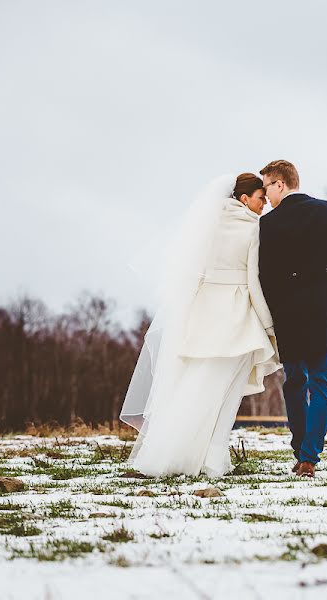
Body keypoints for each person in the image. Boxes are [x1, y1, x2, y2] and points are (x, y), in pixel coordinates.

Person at [119, 173, 281, 477]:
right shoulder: (254, 229)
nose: (264, 205)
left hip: (202, 319)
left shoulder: (205, 226)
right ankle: (212, 461)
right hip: (236, 320)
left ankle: (169, 454)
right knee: (227, 398)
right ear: (245, 199)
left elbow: (190, 278)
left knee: (196, 389)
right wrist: (270, 326)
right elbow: (253, 284)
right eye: (261, 198)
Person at [258, 160, 327, 478]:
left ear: (280, 184)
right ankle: (309, 457)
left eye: (266, 188)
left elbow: (265, 277)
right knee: (321, 382)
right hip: (325, 308)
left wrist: (270, 318)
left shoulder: (268, 224)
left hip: (288, 313)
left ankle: (301, 449)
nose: (265, 197)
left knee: (295, 383)